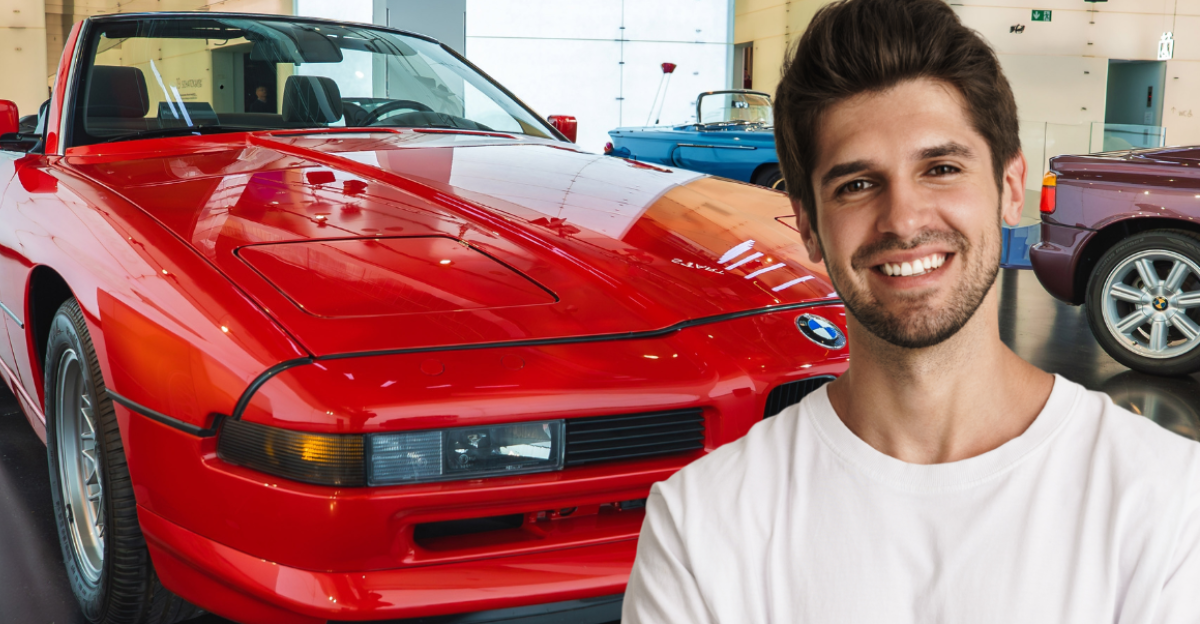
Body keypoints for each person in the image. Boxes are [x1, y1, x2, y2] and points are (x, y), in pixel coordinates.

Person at [621, 0, 1200, 621]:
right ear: (809, 228)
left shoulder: (1166, 502)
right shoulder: (703, 526)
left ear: (1009, 188)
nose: (903, 219)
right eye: (857, 185)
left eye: (942, 168)